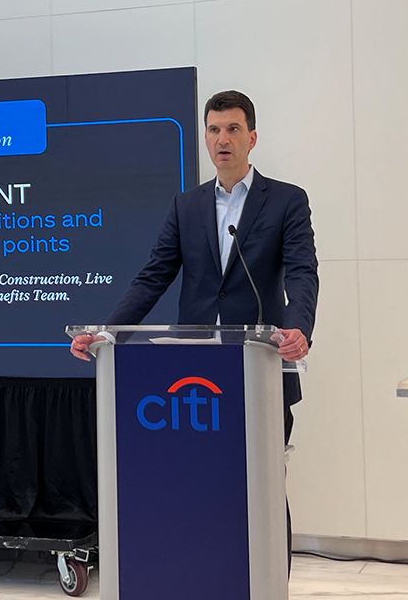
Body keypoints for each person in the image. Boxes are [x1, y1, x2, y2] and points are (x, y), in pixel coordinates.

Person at [71, 89, 319, 573]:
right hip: (197, 376)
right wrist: (110, 333)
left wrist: (298, 328)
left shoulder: (287, 201)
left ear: (252, 137)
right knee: (202, 483)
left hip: (263, 367)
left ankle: (269, 581)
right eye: (213, 129)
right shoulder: (187, 205)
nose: (221, 139)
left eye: (231, 129)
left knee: (265, 484)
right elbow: (153, 276)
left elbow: (302, 272)